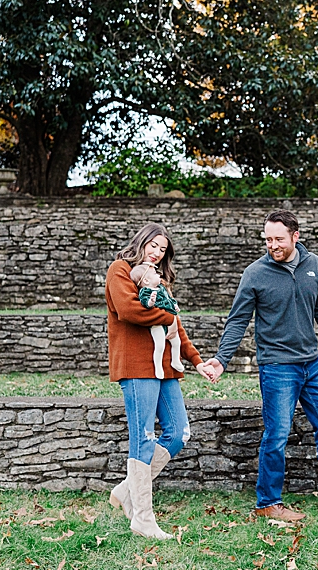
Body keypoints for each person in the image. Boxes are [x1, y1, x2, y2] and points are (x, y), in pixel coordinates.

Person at [204, 209, 318, 521]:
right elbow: (237, 320)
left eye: (279, 239)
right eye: (268, 239)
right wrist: (221, 359)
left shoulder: (314, 265)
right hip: (278, 367)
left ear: (295, 237)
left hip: (312, 364)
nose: (272, 244)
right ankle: (268, 502)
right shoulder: (255, 274)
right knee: (277, 434)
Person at [105, 223, 216, 539]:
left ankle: (128, 490)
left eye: (162, 249)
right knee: (143, 437)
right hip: (137, 367)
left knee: (180, 433)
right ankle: (142, 518)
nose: (156, 252)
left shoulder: (158, 281)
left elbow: (175, 327)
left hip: (166, 368)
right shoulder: (120, 270)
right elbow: (129, 311)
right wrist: (168, 315)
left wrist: (197, 360)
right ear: (140, 242)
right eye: (152, 245)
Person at [129, 261, 183, 378]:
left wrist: (174, 305)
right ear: (147, 281)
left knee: (177, 342)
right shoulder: (146, 291)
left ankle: (175, 360)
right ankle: (158, 366)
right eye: (154, 274)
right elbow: (145, 303)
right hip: (157, 324)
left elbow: (169, 299)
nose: (158, 275)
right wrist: (151, 302)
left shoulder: (161, 288)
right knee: (160, 345)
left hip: (169, 321)